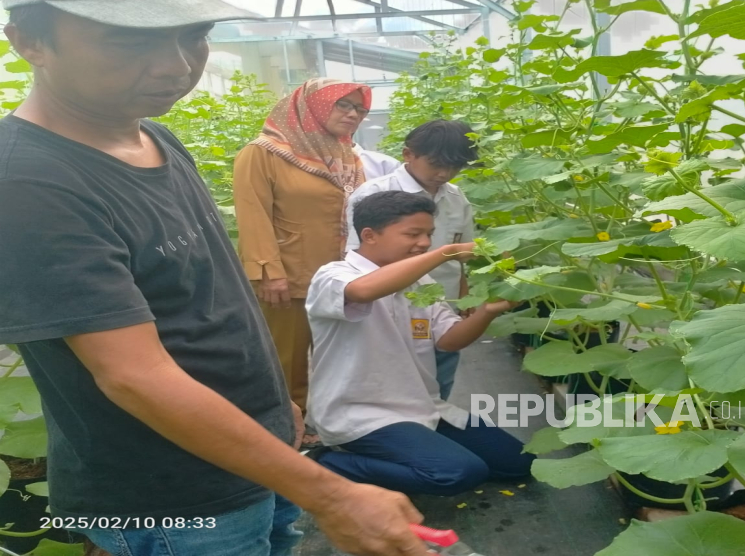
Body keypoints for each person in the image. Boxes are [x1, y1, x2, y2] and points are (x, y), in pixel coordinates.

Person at [0, 2, 431, 555]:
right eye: (129, 42)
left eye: (195, 36)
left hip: (249, 454)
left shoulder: (155, 138)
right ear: (28, 42)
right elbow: (135, 376)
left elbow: (211, 292)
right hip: (172, 498)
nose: (176, 66)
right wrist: (333, 494)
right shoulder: (29, 184)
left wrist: (274, 401)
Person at [305, 191, 535, 496]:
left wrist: (487, 311)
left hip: (419, 406)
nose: (425, 243)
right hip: (360, 413)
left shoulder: (422, 284)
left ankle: (414, 451)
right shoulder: (334, 276)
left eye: (429, 234)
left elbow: (450, 341)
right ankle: (326, 465)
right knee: (458, 472)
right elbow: (363, 292)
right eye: (413, 234)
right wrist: (448, 253)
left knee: (521, 464)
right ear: (369, 235)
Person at [233, 79, 371, 436]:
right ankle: (284, 429)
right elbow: (253, 215)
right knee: (286, 359)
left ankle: (330, 422)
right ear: (313, 106)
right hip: (288, 277)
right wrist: (268, 272)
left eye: (359, 108)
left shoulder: (346, 156)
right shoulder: (263, 153)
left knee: (338, 355)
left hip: (341, 276)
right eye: (343, 104)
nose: (353, 113)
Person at [346, 120, 478, 401]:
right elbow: (357, 260)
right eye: (436, 164)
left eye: (455, 167)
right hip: (392, 310)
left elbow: (461, 255)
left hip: (444, 306)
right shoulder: (374, 196)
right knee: (394, 388)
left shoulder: (456, 198)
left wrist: (465, 296)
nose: (444, 174)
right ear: (408, 155)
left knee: (440, 383)